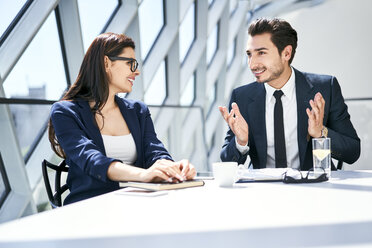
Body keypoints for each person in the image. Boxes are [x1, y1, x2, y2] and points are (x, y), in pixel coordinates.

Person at [49, 32, 196, 205]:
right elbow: (91, 159)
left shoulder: (137, 111)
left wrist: (172, 168)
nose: (137, 71)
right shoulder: (65, 112)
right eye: (130, 63)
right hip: (90, 207)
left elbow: (154, 150)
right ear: (106, 63)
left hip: (137, 202)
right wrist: (143, 175)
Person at [219, 18, 360, 170]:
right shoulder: (242, 97)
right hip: (263, 190)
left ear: (286, 53)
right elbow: (227, 163)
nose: (252, 64)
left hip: (315, 188)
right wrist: (240, 143)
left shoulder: (325, 88)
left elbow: (352, 152)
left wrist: (321, 133)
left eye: (261, 53)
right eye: (249, 54)